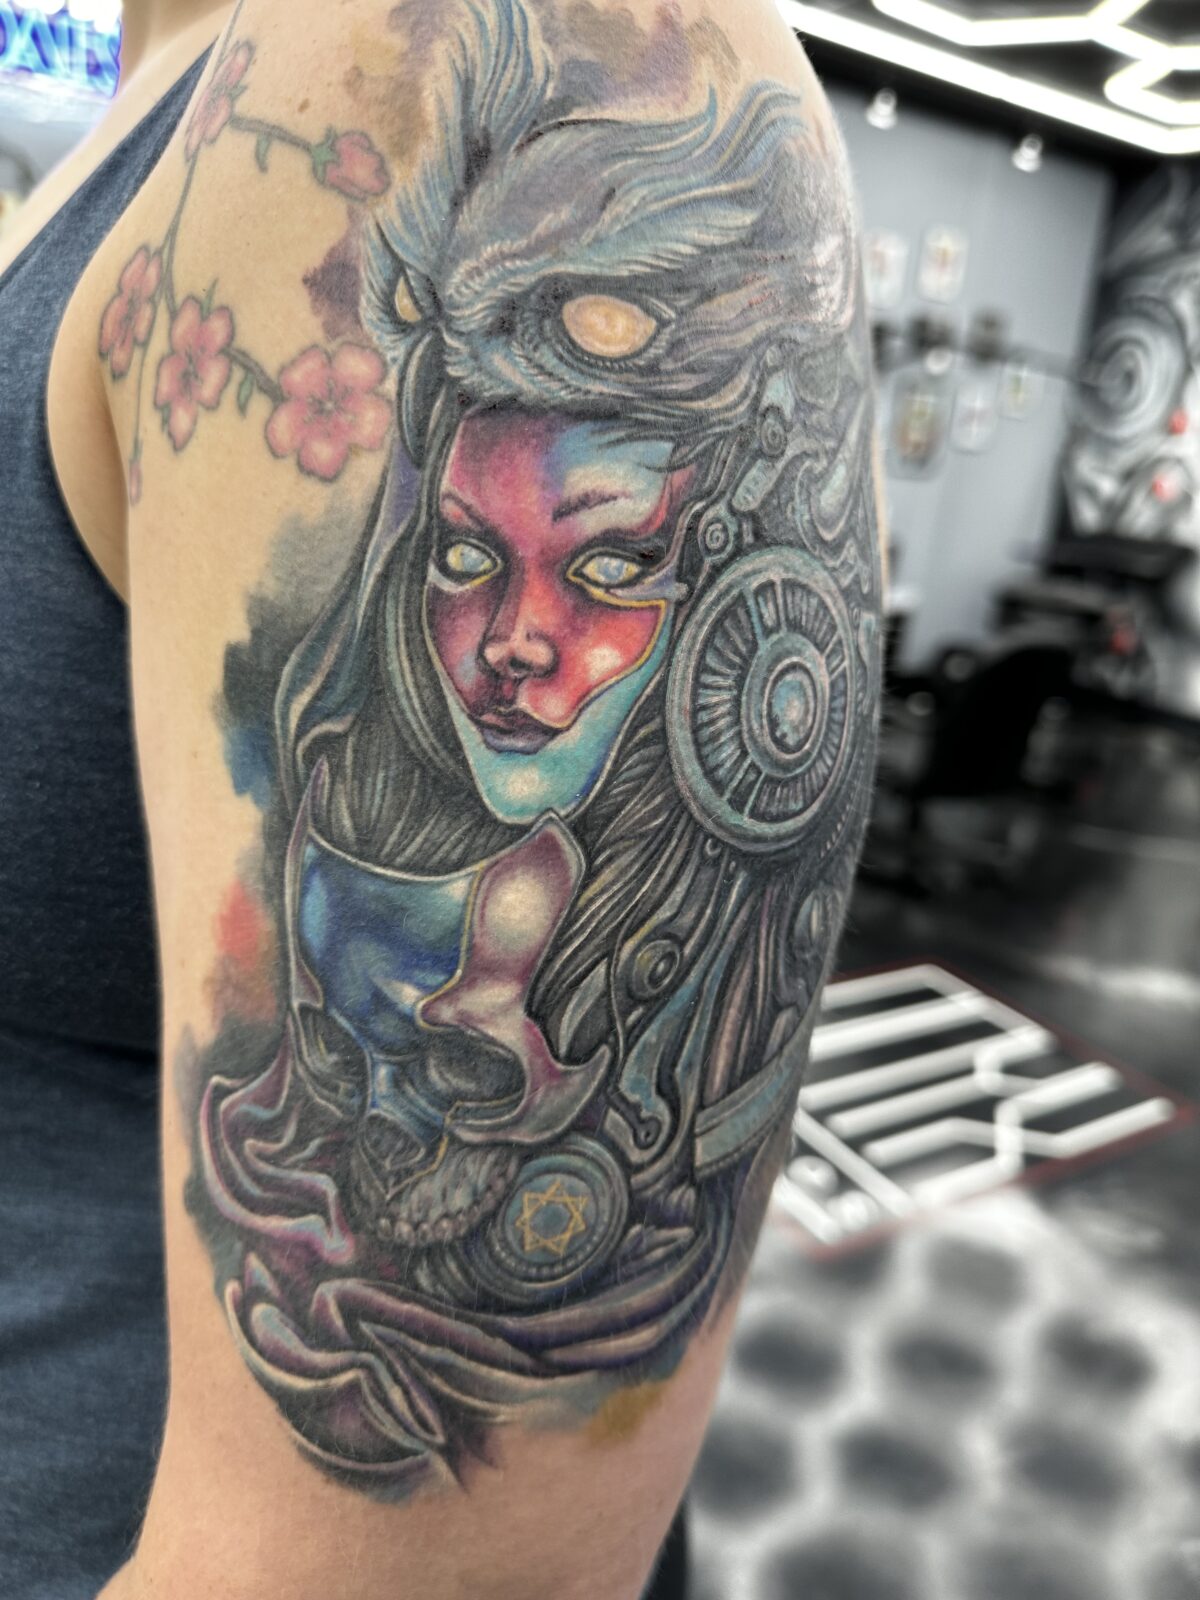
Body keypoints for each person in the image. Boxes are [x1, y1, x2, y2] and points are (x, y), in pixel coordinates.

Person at [0, 1, 882, 1595]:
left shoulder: (469, 46)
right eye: (466, 557)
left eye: (609, 568)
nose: (516, 641)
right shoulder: (136, 124)